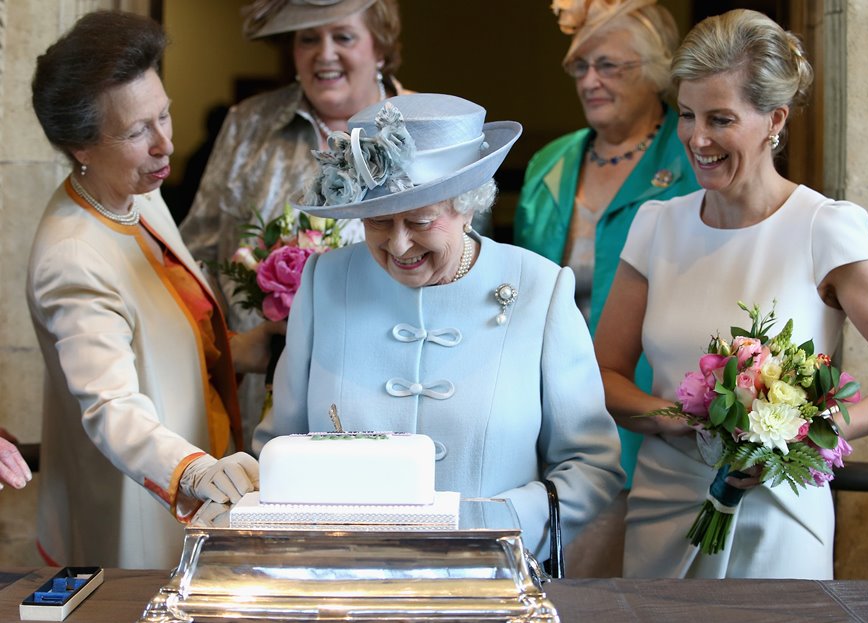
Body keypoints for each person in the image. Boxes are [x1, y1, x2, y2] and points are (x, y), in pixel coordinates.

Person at [595, 9, 868, 579]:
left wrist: (800, 437)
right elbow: (604, 374)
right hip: (663, 507)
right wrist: (669, 416)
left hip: (778, 513)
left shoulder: (823, 228)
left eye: (720, 119)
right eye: (687, 115)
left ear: (774, 120)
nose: (698, 138)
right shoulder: (655, 225)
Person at [253, 94, 626, 561]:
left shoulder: (540, 289)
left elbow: (592, 465)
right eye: (379, 222)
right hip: (345, 580)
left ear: (469, 206)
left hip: (489, 577)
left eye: (420, 221)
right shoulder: (325, 282)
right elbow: (281, 446)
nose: (399, 244)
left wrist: (499, 524)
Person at [27, 11, 281, 569]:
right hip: (137, 504)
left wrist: (245, 348)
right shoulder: (72, 255)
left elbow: (157, 338)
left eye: (163, 114)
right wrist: (193, 471)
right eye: (138, 130)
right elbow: (111, 404)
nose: (166, 143)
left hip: (203, 445)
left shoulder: (136, 193)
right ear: (81, 147)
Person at [178, 0, 406, 445]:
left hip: (383, 389)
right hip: (259, 388)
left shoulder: (424, 126)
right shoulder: (248, 125)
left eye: (343, 36)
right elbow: (197, 257)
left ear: (379, 46)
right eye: (308, 38)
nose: (324, 54)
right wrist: (227, 347)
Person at [514, 0, 698, 508]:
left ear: (657, 72)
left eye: (609, 65)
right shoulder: (550, 162)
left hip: (650, 397)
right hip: (550, 397)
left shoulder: (691, 163)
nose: (590, 80)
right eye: (581, 66)